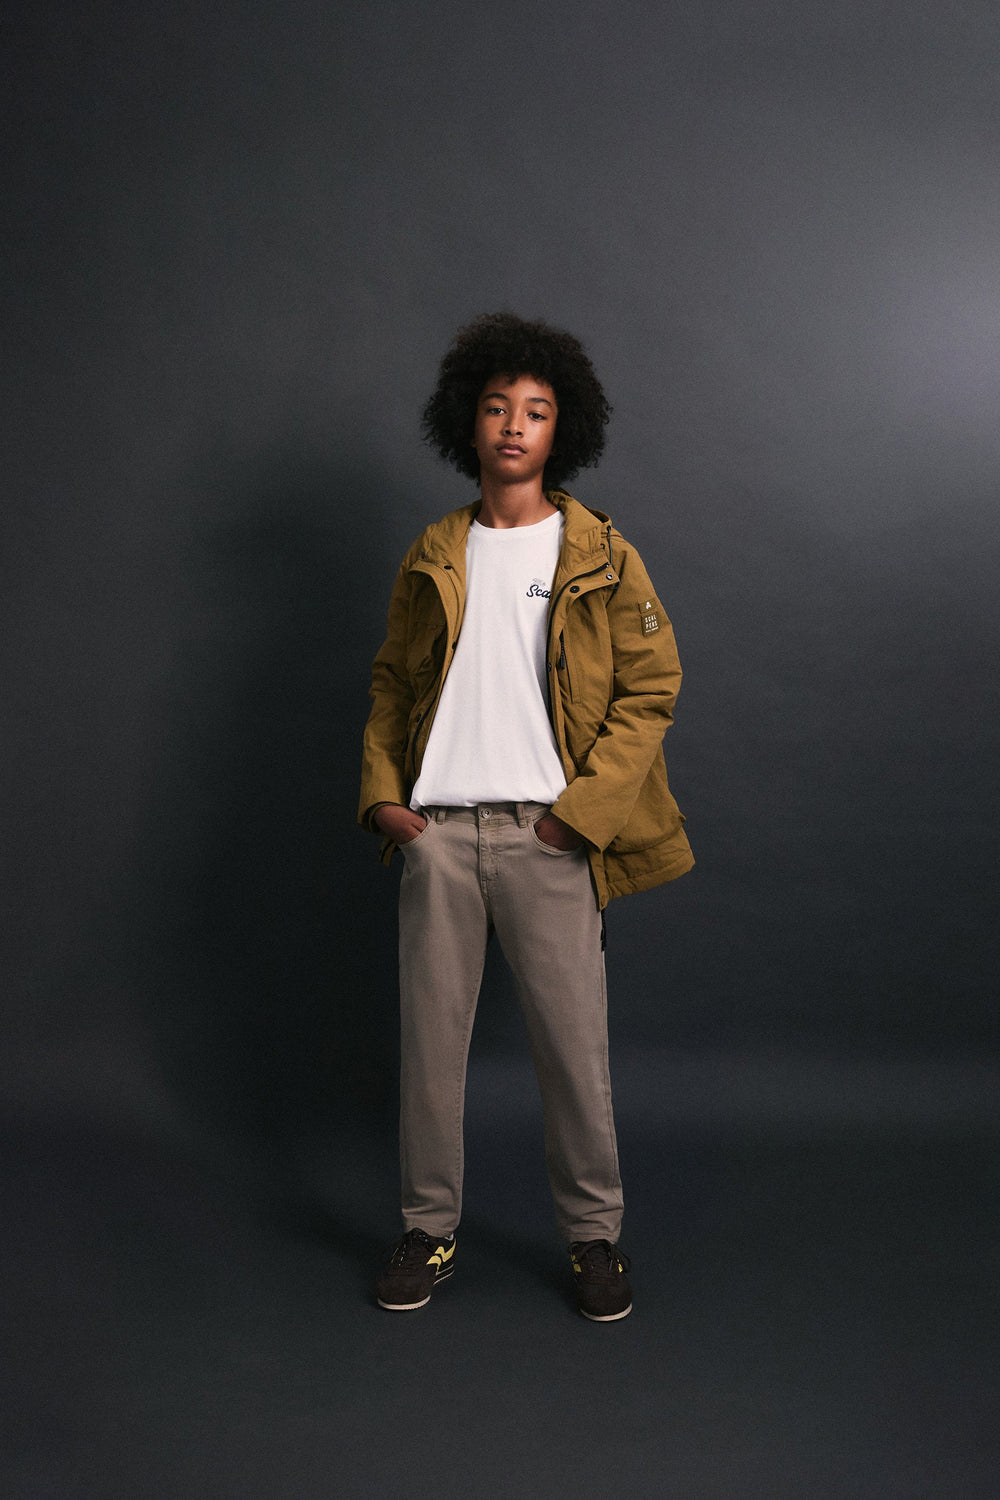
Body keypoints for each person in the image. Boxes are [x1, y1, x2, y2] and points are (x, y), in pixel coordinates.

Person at [358, 311, 692, 1320]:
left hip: (553, 838)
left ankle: (595, 1241)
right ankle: (427, 1230)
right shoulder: (435, 550)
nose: (514, 424)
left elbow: (651, 688)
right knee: (429, 1052)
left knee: (573, 1054)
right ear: (468, 421)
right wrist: (384, 799)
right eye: (498, 406)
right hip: (440, 838)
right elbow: (393, 682)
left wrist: (578, 820)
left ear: (562, 429)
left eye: (536, 410)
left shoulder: (602, 554)